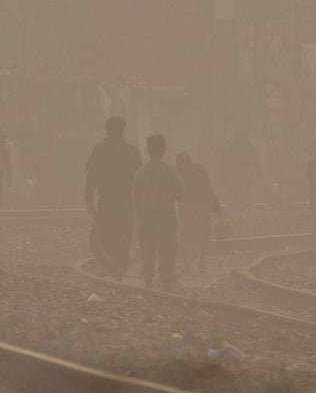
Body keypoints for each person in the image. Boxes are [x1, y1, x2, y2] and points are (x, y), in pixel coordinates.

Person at [84, 116, 142, 280]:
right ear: (123, 131)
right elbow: (139, 179)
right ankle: (119, 267)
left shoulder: (99, 150)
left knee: (105, 234)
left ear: (107, 130)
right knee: (123, 234)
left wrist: (88, 198)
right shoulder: (131, 151)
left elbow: (91, 176)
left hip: (107, 200)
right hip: (124, 201)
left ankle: (108, 267)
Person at [133, 134, 184, 291]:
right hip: (165, 216)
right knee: (167, 251)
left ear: (148, 150)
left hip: (146, 216)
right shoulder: (171, 172)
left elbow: (136, 198)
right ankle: (167, 282)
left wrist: (141, 216)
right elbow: (180, 194)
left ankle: (148, 281)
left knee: (147, 250)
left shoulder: (140, 172)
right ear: (164, 150)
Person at [176, 153, 221, 275]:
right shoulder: (198, 169)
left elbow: (175, 193)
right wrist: (216, 207)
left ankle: (189, 265)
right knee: (202, 235)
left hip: (186, 210)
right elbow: (208, 188)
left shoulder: (179, 174)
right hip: (201, 208)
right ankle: (200, 262)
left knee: (187, 238)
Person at [225, 129, 264, 207]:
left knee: (243, 189)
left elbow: (255, 160)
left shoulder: (234, 146)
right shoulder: (248, 146)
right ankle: (242, 205)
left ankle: (242, 205)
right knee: (241, 190)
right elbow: (256, 160)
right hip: (239, 171)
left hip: (241, 171)